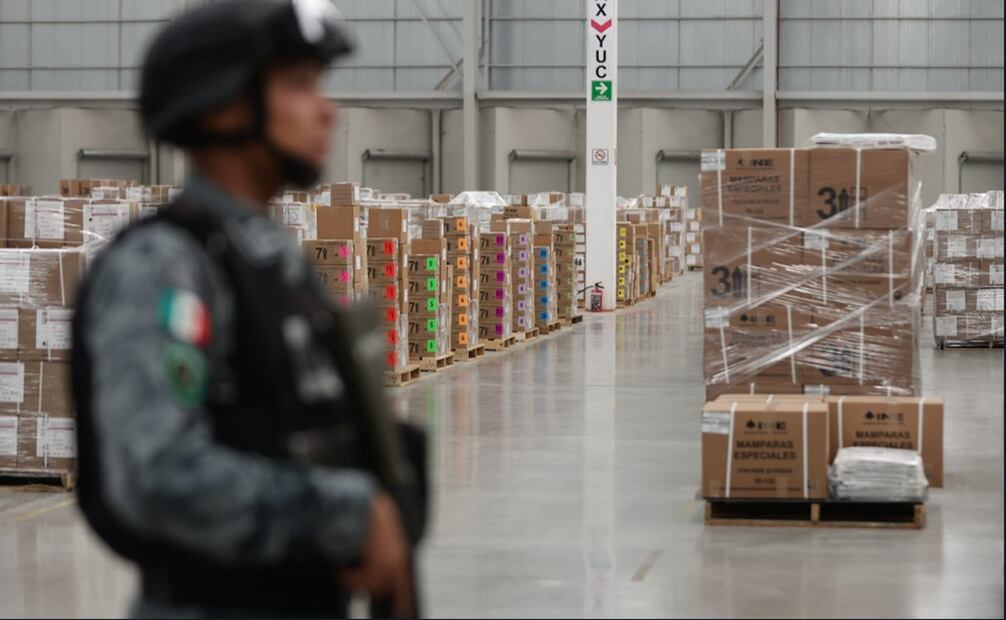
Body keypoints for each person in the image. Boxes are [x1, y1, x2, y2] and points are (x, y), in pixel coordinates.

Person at [69, 1, 418, 617]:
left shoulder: (267, 256)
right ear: (224, 107)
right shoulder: (165, 265)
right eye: (300, 85)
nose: (327, 109)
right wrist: (343, 512)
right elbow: (157, 476)